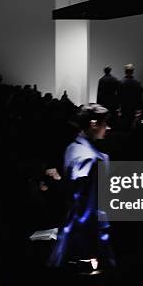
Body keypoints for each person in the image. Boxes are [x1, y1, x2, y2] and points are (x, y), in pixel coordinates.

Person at [49, 104, 115, 269]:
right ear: (93, 124)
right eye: (105, 123)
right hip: (86, 235)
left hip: (72, 227)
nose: (108, 127)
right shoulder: (91, 159)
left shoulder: (73, 148)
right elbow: (88, 208)